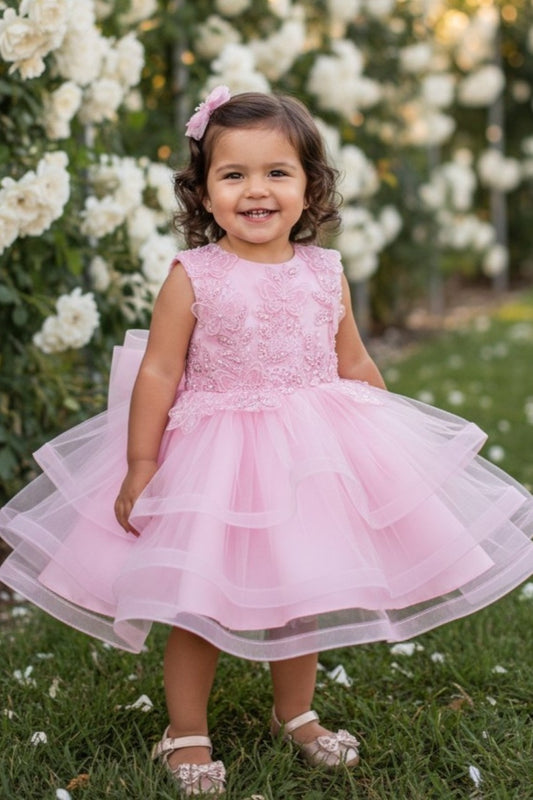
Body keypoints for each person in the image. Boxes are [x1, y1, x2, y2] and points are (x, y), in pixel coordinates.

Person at [2, 86, 533, 797]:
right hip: (214, 458)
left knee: (301, 588)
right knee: (198, 596)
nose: (256, 190)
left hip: (310, 456)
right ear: (203, 191)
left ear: (310, 185)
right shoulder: (194, 277)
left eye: (276, 172)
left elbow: (352, 361)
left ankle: (296, 713)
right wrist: (140, 462)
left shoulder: (325, 272)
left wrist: (383, 444)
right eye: (233, 174)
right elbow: (159, 372)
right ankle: (184, 730)